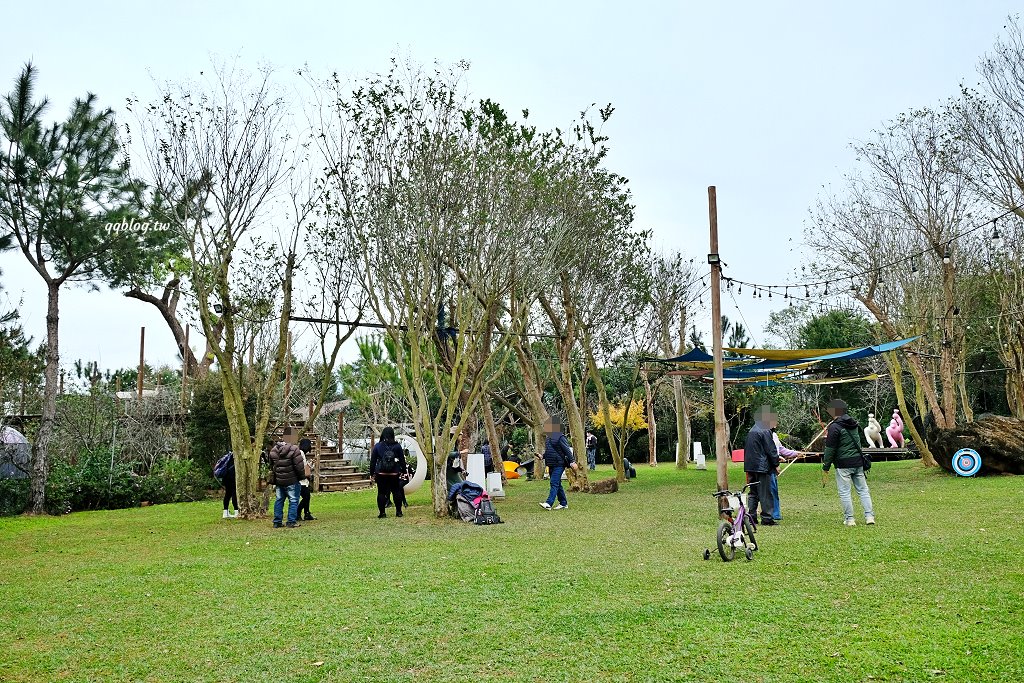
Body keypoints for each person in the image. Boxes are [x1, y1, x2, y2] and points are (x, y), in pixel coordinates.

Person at [822, 399, 875, 526]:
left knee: (844, 492)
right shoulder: (854, 424)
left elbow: (830, 449)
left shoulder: (834, 427)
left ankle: (850, 519)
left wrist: (826, 466)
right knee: (863, 490)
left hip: (843, 464)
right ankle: (869, 517)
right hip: (858, 462)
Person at [743, 406, 780, 526]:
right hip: (762, 467)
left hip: (750, 466)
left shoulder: (752, 430)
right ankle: (767, 518)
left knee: (753, 492)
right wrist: (776, 464)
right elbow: (771, 450)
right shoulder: (765, 430)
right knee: (765, 493)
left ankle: (751, 516)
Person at [540, 418, 578, 510]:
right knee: (557, 484)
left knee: (554, 482)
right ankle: (563, 503)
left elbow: (567, 450)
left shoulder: (560, 437)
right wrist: (542, 456)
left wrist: (572, 461)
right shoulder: (548, 438)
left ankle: (549, 503)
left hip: (559, 464)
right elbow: (549, 451)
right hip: (551, 464)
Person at [370, 427, 406, 519]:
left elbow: (373, 461)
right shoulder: (397, 446)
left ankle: (382, 513)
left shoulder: (378, 446)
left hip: (381, 474)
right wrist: (404, 471)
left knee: (381, 492)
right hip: (394, 473)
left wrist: (372, 473)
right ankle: (399, 512)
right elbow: (402, 460)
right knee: (396, 492)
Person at [268, 441, 305, 528]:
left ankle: (277, 522)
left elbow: (271, 466)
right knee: (293, 500)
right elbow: (299, 466)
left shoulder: (273, 451)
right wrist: (301, 477)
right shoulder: (294, 449)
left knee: (279, 500)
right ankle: (291, 521)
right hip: (292, 480)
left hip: (279, 481)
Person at [769, 424, 800, 522]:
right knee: (768, 491)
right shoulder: (766, 434)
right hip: (767, 467)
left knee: (773, 491)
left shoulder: (774, 435)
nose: (776, 424)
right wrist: (776, 461)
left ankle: (775, 514)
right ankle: (769, 514)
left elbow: (781, 449)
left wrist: (796, 453)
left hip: (772, 467)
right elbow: (769, 452)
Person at [296, 438, 315, 521]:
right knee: (306, 497)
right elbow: (303, 467)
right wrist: (309, 465)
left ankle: (307, 513)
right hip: (301, 480)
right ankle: (299, 512)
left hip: (303, 479)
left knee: (307, 497)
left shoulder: (301, 453)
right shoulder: (300, 453)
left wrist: (310, 464)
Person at [218, 451, 238, 519]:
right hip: (232, 477)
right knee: (234, 493)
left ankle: (225, 512)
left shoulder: (229, 456)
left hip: (225, 478)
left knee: (228, 494)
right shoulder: (237, 456)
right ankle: (236, 512)